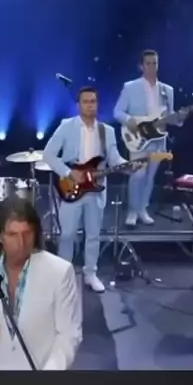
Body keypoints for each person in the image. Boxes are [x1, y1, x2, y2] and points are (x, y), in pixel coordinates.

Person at [0, 197, 82, 370]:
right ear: (0, 236)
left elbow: (69, 335)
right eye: (13, 235)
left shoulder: (60, 272)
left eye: (27, 234)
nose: (21, 243)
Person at [43, 86, 128, 293]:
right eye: (86, 101)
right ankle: (63, 275)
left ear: (97, 104)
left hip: (96, 190)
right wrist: (68, 172)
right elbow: (48, 155)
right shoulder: (67, 126)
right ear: (78, 105)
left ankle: (90, 274)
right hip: (71, 187)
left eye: (93, 101)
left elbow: (114, 158)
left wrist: (127, 165)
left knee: (93, 235)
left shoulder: (107, 131)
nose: (90, 105)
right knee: (67, 235)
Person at [114, 49, 184, 226]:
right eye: (148, 63)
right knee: (138, 175)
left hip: (158, 140)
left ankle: (142, 209)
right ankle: (132, 210)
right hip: (138, 138)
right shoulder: (130, 87)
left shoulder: (167, 90)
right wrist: (129, 120)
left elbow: (170, 116)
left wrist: (179, 118)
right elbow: (117, 112)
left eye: (155, 63)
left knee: (150, 177)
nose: (152, 67)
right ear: (141, 66)